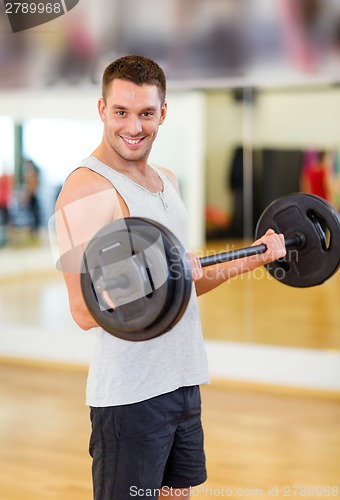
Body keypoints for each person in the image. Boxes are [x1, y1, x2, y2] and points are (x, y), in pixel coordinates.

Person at [55, 55, 286, 500]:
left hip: (181, 381)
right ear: (102, 109)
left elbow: (186, 285)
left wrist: (258, 255)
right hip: (130, 395)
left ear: (163, 112)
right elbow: (83, 309)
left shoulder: (168, 181)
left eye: (145, 113)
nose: (133, 126)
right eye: (121, 112)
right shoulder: (87, 188)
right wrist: (163, 270)